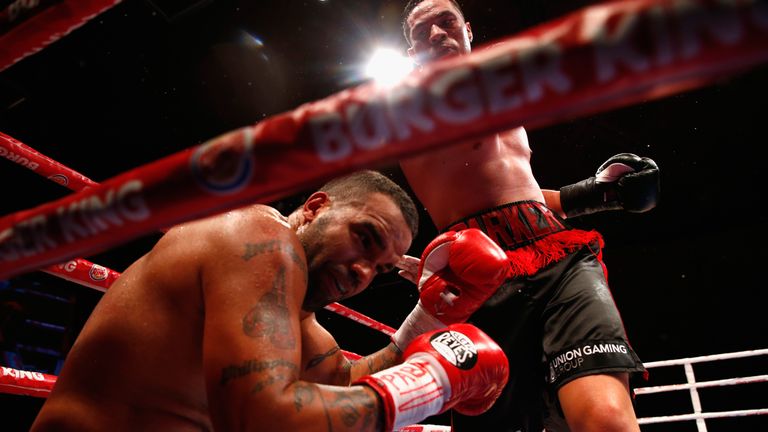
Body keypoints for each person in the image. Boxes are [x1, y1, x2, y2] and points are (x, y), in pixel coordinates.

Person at [30, 169, 511, 432]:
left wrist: (430, 315)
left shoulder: (297, 321)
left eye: (383, 269)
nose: (365, 272)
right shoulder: (259, 239)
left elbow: (342, 383)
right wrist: (428, 385)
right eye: (365, 240)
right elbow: (260, 420)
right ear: (316, 208)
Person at [397, 1, 660, 431]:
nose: (436, 35)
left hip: (561, 259)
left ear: (466, 30)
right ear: (412, 55)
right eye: (421, 32)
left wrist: (600, 194)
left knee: (607, 419)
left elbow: (525, 194)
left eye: (444, 23)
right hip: (480, 276)